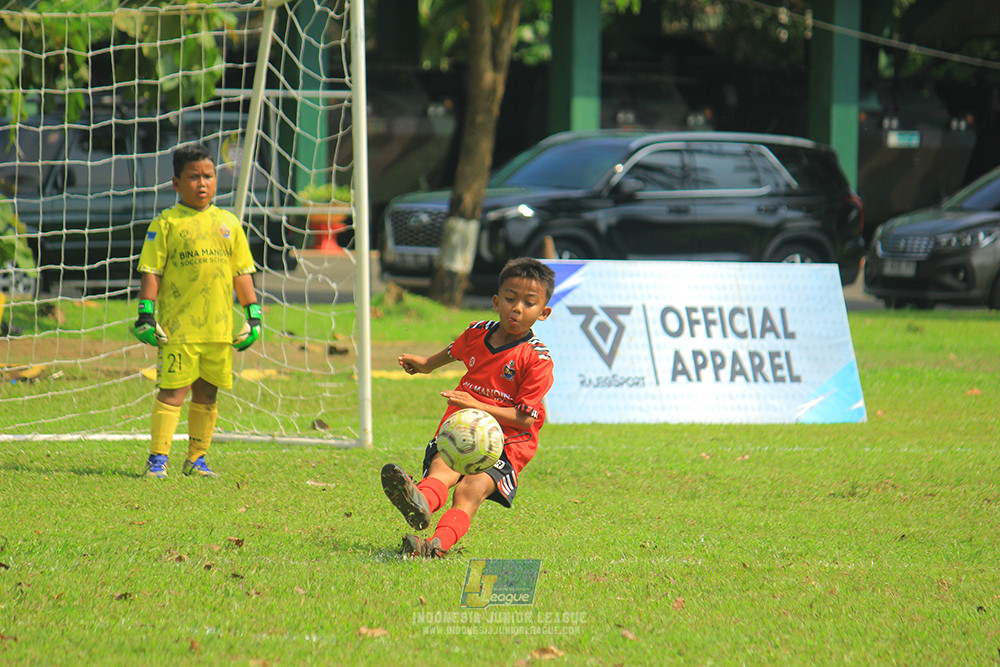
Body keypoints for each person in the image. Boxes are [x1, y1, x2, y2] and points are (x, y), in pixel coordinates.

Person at [381, 257, 556, 558]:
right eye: (511, 299)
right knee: (441, 471)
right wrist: (426, 365)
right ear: (496, 300)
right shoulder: (477, 332)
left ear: (544, 313)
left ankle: (435, 546)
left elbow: (525, 420)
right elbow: (455, 349)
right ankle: (418, 501)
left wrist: (478, 404)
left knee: (469, 491)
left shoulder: (537, 360)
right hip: (460, 428)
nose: (517, 308)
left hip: (508, 441)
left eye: (529, 303)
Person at [132, 143, 262, 479]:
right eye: (193, 177)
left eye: (208, 175)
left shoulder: (229, 223)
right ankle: (157, 459)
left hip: (219, 331)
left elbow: (242, 273)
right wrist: (146, 314)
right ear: (177, 183)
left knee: (207, 392)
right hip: (179, 330)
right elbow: (151, 271)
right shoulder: (166, 224)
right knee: (174, 392)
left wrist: (254, 316)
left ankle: (196, 458)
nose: (202, 183)